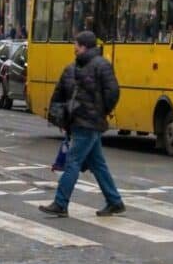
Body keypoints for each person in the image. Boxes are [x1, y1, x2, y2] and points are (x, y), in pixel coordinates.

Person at [39, 31, 125, 218]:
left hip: (87, 122)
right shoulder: (79, 67)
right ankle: (114, 201)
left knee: (73, 162)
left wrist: (100, 111)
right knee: (98, 164)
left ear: (85, 46)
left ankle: (61, 203)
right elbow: (60, 93)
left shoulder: (99, 66)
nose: (74, 48)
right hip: (81, 121)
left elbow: (113, 92)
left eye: (76, 45)